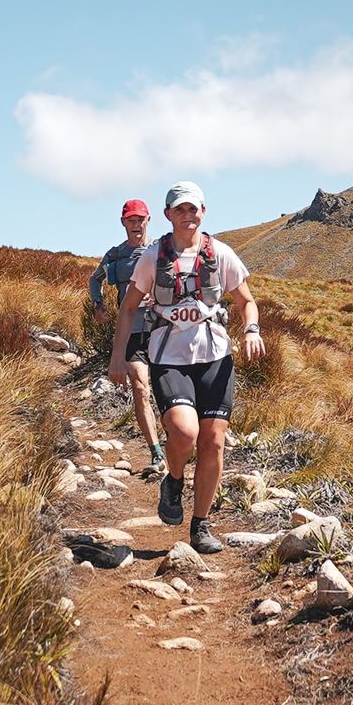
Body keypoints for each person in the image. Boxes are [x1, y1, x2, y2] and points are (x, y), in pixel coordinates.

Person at [106, 180, 263, 555]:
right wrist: (118, 357)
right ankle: (174, 480)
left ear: (203, 212)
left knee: (213, 442)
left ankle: (200, 525)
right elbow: (129, 307)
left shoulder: (221, 254)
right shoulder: (152, 258)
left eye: (194, 209)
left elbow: (247, 301)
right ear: (168, 215)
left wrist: (253, 330)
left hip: (215, 358)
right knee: (185, 434)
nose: (188, 215)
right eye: (180, 209)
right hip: (168, 357)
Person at [93, 199, 164, 474]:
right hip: (131, 330)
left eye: (140, 220)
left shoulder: (160, 251)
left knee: (165, 390)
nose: (136, 225)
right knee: (140, 387)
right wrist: (99, 305)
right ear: (123, 222)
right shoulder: (115, 255)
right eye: (130, 220)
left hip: (160, 329)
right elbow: (94, 279)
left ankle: (177, 442)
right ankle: (156, 453)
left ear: (148, 221)